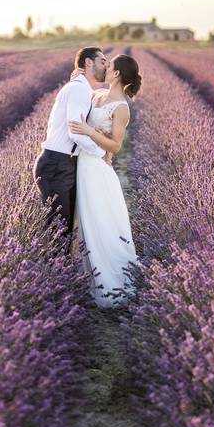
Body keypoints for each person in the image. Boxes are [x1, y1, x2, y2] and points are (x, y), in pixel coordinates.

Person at [67, 53, 142, 308]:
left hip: (97, 170)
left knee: (99, 223)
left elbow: (116, 145)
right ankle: (82, 281)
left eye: (109, 66)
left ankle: (111, 286)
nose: (105, 68)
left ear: (117, 73)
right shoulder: (97, 95)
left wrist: (90, 131)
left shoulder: (121, 107)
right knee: (82, 222)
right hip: (82, 165)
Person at [33, 46, 108, 252]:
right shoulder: (77, 89)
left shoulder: (82, 89)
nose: (106, 65)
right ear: (88, 63)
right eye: (103, 61)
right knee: (59, 230)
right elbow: (75, 131)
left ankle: (61, 276)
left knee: (66, 229)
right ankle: (53, 278)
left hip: (65, 163)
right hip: (56, 164)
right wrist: (100, 152)